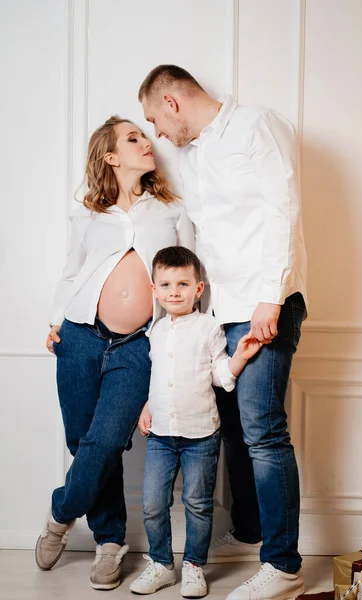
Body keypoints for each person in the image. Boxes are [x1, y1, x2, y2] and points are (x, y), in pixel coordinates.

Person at [138, 65, 308, 600]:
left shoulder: (259, 125)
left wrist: (270, 297)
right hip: (220, 313)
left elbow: (284, 208)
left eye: (153, 120)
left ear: (171, 101)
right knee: (232, 429)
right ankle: (251, 532)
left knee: (263, 432)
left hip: (265, 302)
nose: (158, 134)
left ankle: (283, 567)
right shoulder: (193, 157)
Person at [35, 116, 193, 591]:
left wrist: (182, 345)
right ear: (110, 156)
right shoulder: (89, 212)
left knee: (104, 443)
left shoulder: (170, 210)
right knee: (82, 443)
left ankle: (60, 513)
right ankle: (110, 541)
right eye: (133, 138)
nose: (147, 142)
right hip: (80, 338)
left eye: (144, 136)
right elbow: (71, 270)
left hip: (138, 346)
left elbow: (189, 280)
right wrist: (56, 320)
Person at [130, 246, 262, 598]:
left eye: (183, 284)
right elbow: (158, 377)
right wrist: (146, 405)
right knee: (154, 503)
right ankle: (160, 563)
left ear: (198, 289)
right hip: (160, 435)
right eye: (167, 284)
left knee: (197, 502)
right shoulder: (154, 331)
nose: (175, 291)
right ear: (154, 290)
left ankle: (193, 565)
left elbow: (220, 375)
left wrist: (239, 358)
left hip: (200, 434)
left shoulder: (209, 328)